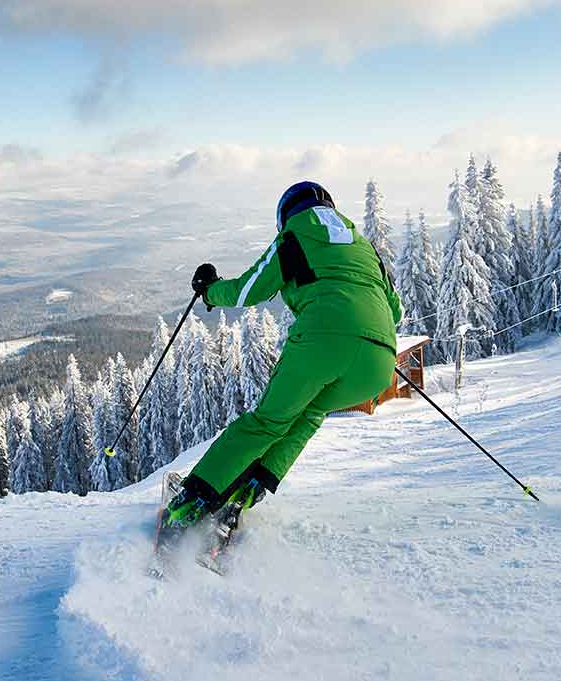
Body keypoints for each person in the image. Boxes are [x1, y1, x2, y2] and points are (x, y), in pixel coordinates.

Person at [156, 181, 402, 549]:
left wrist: (209, 290)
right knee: (309, 414)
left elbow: (247, 290)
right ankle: (243, 496)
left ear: (286, 213)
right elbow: (395, 311)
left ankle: (189, 507)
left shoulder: (294, 236)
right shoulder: (364, 247)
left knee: (267, 423)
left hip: (322, 343)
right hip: (379, 363)